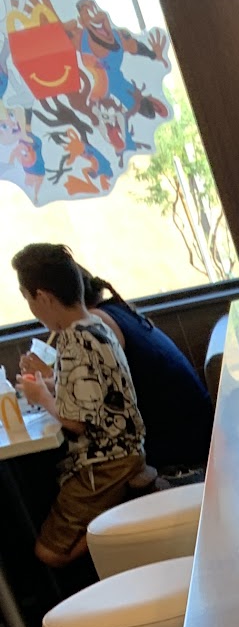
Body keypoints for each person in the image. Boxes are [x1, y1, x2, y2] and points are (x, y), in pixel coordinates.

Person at [12, 241, 149, 568]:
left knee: (48, 553)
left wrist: (42, 397)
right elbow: (93, 391)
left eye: (28, 298)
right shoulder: (96, 325)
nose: (32, 309)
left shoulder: (74, 341)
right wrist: (48, 385)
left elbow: (77, 422)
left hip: (107, 461)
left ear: (43, 297)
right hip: (127, 448)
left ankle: (116, 523)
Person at [76, 265, 213, 478]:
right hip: (197, 424)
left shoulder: (96, 323)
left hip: (182, 440)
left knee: (91, 463)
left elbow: (92, 410)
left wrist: (45, 396)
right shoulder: (115, 309)